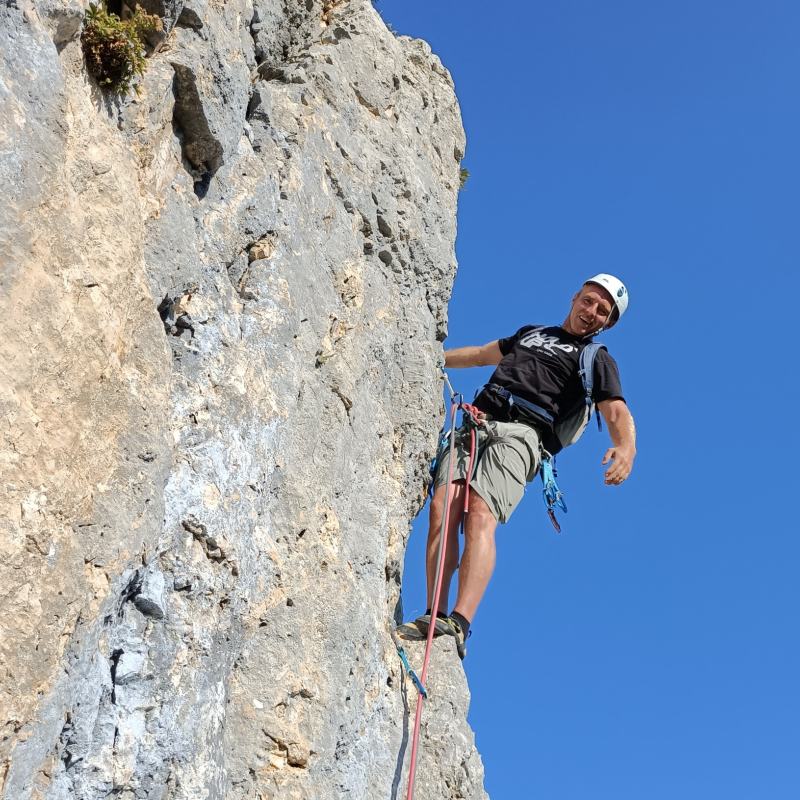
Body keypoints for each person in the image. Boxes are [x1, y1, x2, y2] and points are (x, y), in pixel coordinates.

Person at [405, 275, 637, 659]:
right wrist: (434, 358)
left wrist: (625, 446)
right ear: (576, 296)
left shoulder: (597, 358)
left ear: (607, 323)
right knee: (442, 509)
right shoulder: (532, 333)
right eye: (590, 301)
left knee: (480, 514)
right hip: (477, 422)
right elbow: (482, 355)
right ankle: (435, 612)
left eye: (603, 311)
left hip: (523, 434)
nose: (592, 311)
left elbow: (615, 408)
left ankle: (459, 622)